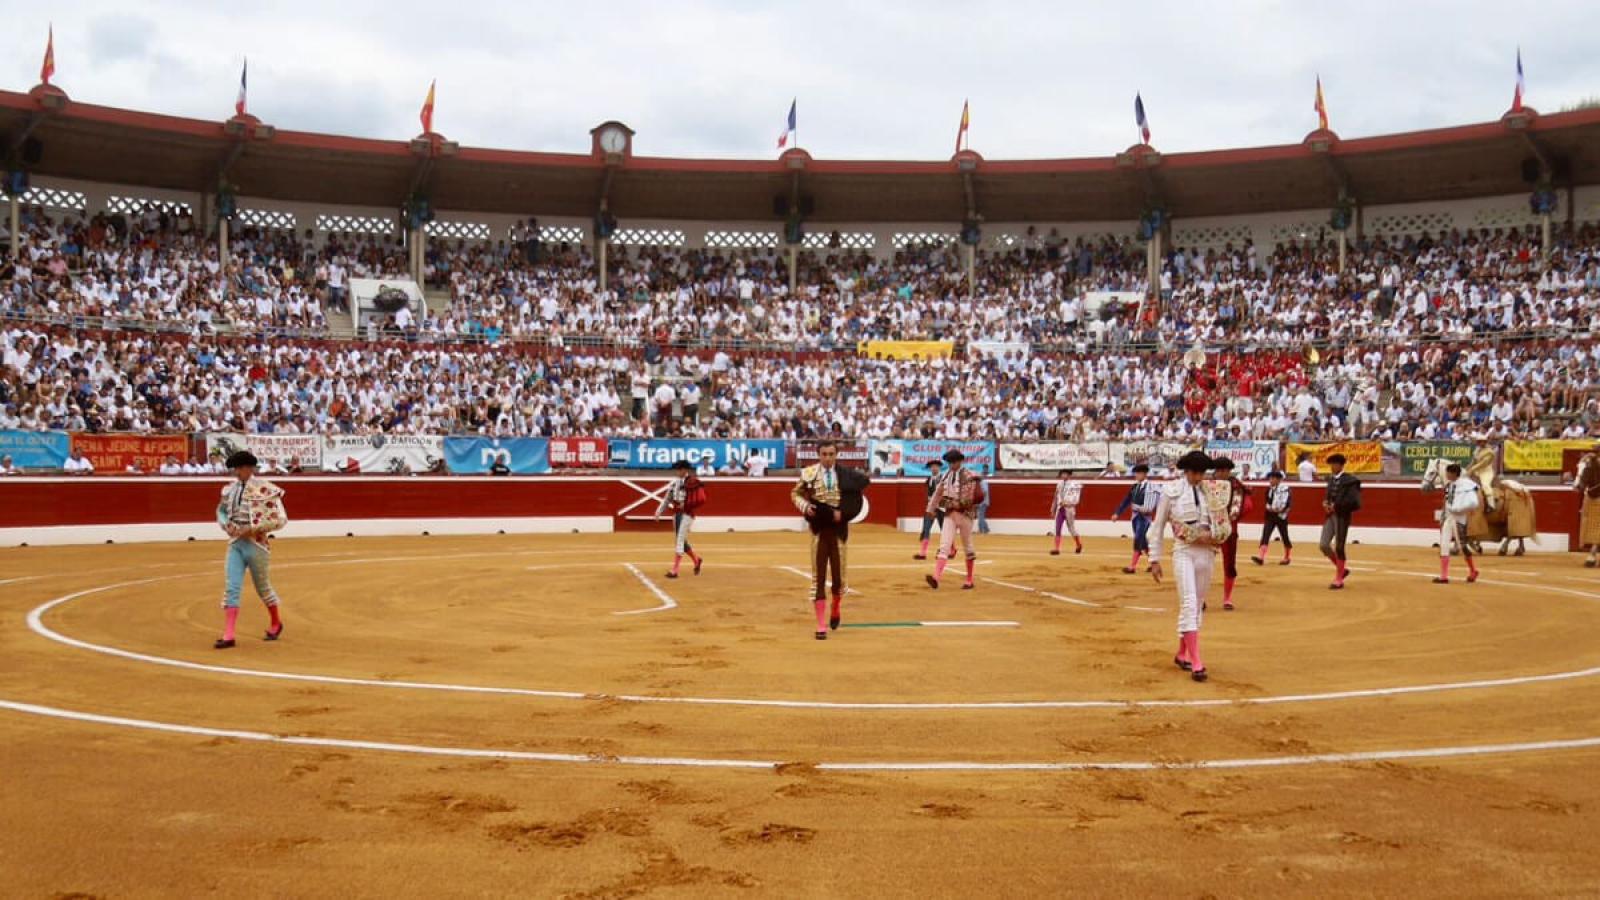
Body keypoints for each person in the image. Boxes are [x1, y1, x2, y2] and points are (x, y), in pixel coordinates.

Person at [1148, 450, 1226, 683]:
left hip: (1207, 552)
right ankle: (1197, 663)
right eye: (1195, 472)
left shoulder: (1211, 493)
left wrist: (1218, 534)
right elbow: (1158, 526)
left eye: (1202, 472)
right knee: (1190, 603)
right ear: (1186, 471)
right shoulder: (1170, 491)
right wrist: (1154, 558)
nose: (1198, 477)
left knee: (1198, 605)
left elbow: (1221, 520)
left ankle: (1183, 653)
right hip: (1184, 552)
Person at [214, 451, 287, 649]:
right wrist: (225, 524)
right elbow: (220, 510)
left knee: (263, 588)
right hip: (236, 544)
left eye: (238, 469)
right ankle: (229, 635)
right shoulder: (229, 490)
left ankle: (276, 622)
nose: (235, 473)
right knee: (232, 588)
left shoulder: (265, 489)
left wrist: (253, 529)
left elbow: (280, 520)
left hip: (257, 546)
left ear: (248, 468)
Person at [792, 441, 847, 637]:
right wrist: (806, 507)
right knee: (818, 577)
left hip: (839, 531)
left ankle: (836, 608)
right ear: (818, 455)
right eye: (824, 454)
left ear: (836, 455)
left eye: (831, 454)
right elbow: (795, 493)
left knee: (840, 577)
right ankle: (821, 624)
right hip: (819, 531)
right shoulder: (809, 473)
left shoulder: (845, 475)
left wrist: (845, 513)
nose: (828, 458)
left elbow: (854, 500)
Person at [924, 448, 983, 591]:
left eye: (954, 462)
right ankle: (936, 578)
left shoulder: (970, 475)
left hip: (965, 516)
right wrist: (930, 509)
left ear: (960, 461)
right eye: (949, 462)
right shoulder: (946, 476)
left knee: (968, 546)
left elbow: (969, 500)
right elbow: (938, 493)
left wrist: (949, 503)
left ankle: (969, 580)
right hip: (951, 515)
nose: (951, 465)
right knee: (944, 546)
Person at [1211, 457, 1251, 610]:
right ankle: (1200, 597)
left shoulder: (1236, 486)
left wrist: (1231, 519)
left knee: (1229, 564)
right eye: (1220, 470)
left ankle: (1227, 598)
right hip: (1210, 530)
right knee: (1203, 563)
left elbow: (1247, 506)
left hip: (1229, 530)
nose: (1222, 473)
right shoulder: (1207, 485)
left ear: (1229, 471)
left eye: (1225, 470)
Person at [655, 459, 705, 579]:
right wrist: (658, 512)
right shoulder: (674, 483)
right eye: (677, 469)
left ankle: (675, 570)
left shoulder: (692, 482)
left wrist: (687, 505)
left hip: (687, 514)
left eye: (679, 469)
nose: (677, 471)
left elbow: (699, 499)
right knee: (681, 540)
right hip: (677, 514)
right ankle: (696, 560)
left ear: (685, 470)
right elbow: (667, 498)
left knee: (680, 540)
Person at [1320, 453, 1362, 590]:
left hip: (1342, 517)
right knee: (1324, 545)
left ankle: (1339, 578)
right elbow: (1328, 495)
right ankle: (1342, 570)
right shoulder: (1331, 479)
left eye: (1334, 464)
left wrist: (1336, 506)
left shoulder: (1351, 481)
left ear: (1340, 465)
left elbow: (1355, 502)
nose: (1332, 467)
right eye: (1331, 464)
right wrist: (1326, 503)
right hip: (1330, 516)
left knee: (1339, 546)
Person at [1435, 463, 1481, 584]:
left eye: (1448, 473)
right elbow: (1447, 502)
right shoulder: (1449, 485)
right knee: (1444, 545)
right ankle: (1443, 576)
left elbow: (1473, 503)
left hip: (1459, 519)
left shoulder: (1467, 485)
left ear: (1454, 473)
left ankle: (1473, 571)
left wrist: (1458, 509)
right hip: (1449, 518)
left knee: (1462, 546)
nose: (1446, 475)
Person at [1111, 463, 1158, 574]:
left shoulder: (1150, 487)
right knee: (1143, 541)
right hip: (1136, 517)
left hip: (1144, 518)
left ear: (1144, 474)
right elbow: (1127, 500)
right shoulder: (1135, 486)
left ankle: (1132, 567)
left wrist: (1137, 507)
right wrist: (1117, 513)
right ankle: (1152, 563)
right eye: (1135, 473)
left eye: (1138, 473)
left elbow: (1149, 507)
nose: (1136, 475)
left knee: (1138, 539)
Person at [1251, 470, 1293, 566]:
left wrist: (1280, 510)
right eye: (1270, 478)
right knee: (1265, 534)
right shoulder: (1269, 490)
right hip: (1270, 515)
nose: (1270, 480)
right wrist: (1269, 508)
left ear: (1279, 480)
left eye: (1273, 478)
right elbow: (1267, 502)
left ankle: (1287, 557)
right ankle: (1261, 558)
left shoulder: (1285, 489)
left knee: (1285, 536)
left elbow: (1288, 503)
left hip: (1281, 516)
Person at [914, 459, 945, 559]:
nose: (934, 468)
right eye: (932, 467)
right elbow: (929, 494)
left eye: (936, 466)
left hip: (941, 508)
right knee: (926, 528)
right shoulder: (929, 480)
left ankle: (948, 550)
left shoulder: (943, 478)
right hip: (931, 508)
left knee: (944, 530)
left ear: (939, 467)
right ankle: (923, 553)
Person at [1050, 469, 1083, 555]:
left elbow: (1076, 499)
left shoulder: (1075, 485)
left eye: (1065, 474)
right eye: (1062, 474)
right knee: (1057, 528)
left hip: (1069, 509)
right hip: (1060, 509)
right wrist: (1053, 508)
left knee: (1072, 529)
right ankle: (1056, 549)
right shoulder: (1059, 484)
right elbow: (1056, 497)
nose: (1063, 475)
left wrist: (1068, 503)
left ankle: (1078, 544)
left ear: (1069, 475)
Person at [975, 467, 992, 535]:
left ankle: (981, 530)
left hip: (983, 502)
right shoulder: (981, 482)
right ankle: (986, 529)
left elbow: (985, 492)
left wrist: (980, 500)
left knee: (980, 516)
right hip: (983, 502)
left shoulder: (983, 482)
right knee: (981, 516)